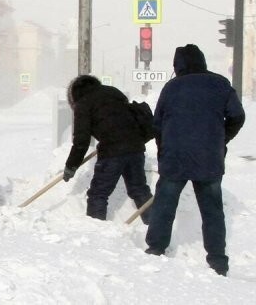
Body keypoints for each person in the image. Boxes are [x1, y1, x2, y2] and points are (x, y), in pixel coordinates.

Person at [145, 44, 245, 276]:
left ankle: (155, 249)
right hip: (209, 158)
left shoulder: (171, 88)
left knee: (165, 204)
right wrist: (221, 139)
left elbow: (157, 124)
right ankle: (218, 260)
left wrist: (164, 150)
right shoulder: (220, 84)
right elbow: (237, 116)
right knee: (212, 209)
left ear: (177, 65)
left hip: (175, 157)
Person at [62, 75, 153, 222]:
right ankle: (155, 229)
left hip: (112, 152)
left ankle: (96, 233)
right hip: (135, 147)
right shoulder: (113, 93)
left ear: (74, 95)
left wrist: (71, 166)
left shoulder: (83, 104)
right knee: (139, 189)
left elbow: (81, 141)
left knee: (98, 194)